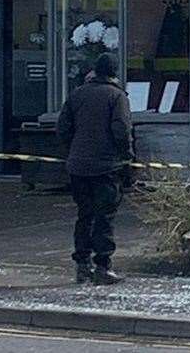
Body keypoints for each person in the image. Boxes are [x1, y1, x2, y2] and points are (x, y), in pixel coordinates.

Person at [57, 53, 132, 285]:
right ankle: (103, 266)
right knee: (104, 217)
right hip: (106, 166)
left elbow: (63, 128)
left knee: (84, 215)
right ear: (114, 72)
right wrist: (127, 157)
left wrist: (74, 151)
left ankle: (82, 265)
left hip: (78, 166)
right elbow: (121, 130)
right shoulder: (116, 96)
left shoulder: (77, 93)